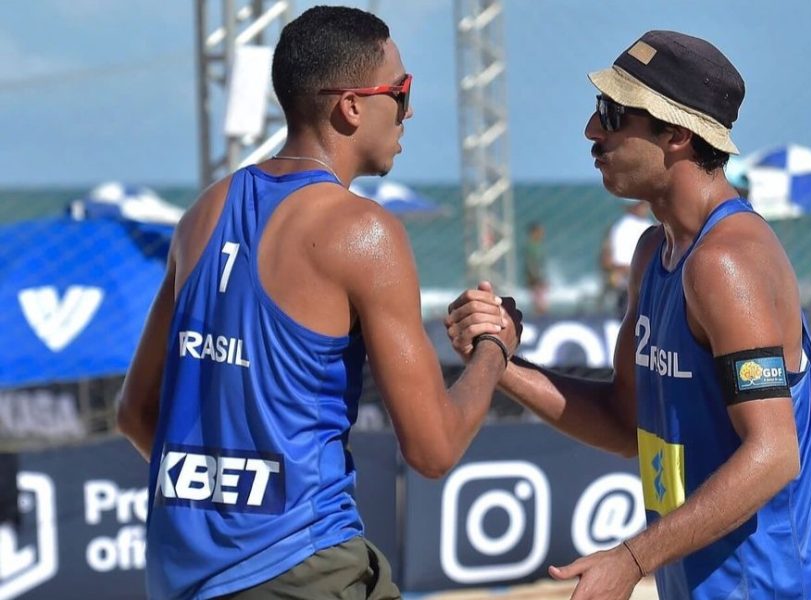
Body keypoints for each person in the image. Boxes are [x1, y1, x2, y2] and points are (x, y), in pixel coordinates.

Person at [115, 6, 518, 600]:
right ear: (351, 106)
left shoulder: (204, 212)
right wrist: (495, 349)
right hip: (302, 564)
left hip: (182, 574)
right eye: (401, 92)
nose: (409, 112)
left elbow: (134, 413)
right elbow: (433, 448)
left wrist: (225, 506)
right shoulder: (363, 232)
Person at [445, 30, 811, 599]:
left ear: (679, 135)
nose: (593, 132)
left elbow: (774, 454)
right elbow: (624, 423)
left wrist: (631, 559)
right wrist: (501, 360)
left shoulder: (725, 262)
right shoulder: (653, 254)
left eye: (613, 115)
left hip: (776, 586)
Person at [600, 200, 653, 316]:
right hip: (633, 291)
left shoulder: (644, 225)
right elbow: (619, 265)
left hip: (640, 288)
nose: (646, 206)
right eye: (643, 203)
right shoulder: (624, 228)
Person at [523, 222, 549, 315]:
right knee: (540, 305)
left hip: (538, 278)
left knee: (541, 304)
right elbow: (531, 264)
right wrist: (537, 279)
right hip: (536, 279)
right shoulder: (531, 246)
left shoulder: (537, 246)